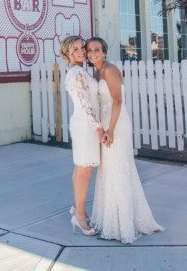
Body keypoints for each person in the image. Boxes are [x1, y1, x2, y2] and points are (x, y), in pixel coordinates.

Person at [86, 36, 164, 243]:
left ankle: (123, 228)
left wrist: (110, 130)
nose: (92, 53)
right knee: (107, 171)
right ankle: (110, 222)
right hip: (105, 122)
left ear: (104, 52)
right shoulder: (96, 71)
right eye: (89, 50)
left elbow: (118, 101)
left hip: (117, 124)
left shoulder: (110, 70)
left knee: (118, 170)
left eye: (96, 49)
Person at [60, 35, 104, 236]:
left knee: (81, 168)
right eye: (75, 49)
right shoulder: (77, 72)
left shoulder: (79, 71)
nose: (81, 51)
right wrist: (98, 127)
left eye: (81, 47)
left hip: (82, 123)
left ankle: (78, 208)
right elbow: (86, 103)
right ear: (67, 54)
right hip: (86, 125)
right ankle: (79, 216)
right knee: (84, 170)